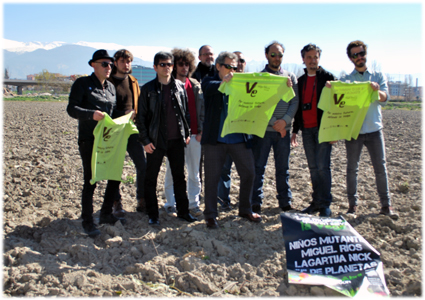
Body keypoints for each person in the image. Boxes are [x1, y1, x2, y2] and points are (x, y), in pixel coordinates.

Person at [67, 49, 127, 237]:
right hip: (90, 139)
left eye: (110, 64)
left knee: (114, 176)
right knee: (91, 180)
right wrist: (90, 114)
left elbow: (113, 112)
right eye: (104, 64)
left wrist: (126, 117)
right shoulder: (82, 84)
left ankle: (106, 213)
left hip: (109, 140)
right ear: (93, 65)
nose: (108, 67)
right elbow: (71, 108)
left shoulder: (110, 88)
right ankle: (87, 220)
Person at [338, 40, 398, 220]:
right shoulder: (346, 80)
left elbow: (385, 98)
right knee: (352, 169)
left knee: (380, 168)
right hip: (354, 131)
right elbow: (339, 102)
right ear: (350, 58)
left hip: (374, 129)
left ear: (366, 54)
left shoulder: (378, 76)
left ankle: (386, 206)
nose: (359, 57)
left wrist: (376, 91)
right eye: (355, 55)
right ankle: (352, 206)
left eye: (361, 53)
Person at [201, 51, 261, 229]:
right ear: (218, 66)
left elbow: (263, 91)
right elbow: (208, 88)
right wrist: (223, 83)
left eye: (234, 67)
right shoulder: (209, 80)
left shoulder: (242, 84)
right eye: (228, 66)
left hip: (239, 138)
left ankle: (245, 209)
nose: (232, 71)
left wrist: (284, 84)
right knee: (212, 178)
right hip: (215, 140)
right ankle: (211, 215)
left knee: (249, 172)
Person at [137, 51, 197, 226]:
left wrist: (185, 132)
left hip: (176, 140)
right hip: (155, 141)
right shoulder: (147, 89)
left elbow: (184, 113)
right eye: (162, 64)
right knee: (151, 179)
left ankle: (183, 212)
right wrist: (145, 140)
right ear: (155, 67)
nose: (167, 67)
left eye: (169, 64)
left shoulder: (179, 87)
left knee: (179, 177)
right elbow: (141, 118)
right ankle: (153, 214)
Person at [251, 41, 299, 214]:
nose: (277, 58)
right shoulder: (260, 77)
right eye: (273, 54)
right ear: (266, 55)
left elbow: (295, 102)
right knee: (258, 167)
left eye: (280, 55)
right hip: (264, 130)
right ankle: (255, 202)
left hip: (284, 131)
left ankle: (285, 202)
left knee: (283, 168)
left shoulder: (290, 76)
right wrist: (274, 123)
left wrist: (284, 121)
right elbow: (259, 104)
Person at [291, 44, 337, 217]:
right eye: (309, 57)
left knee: (323, 167)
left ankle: (325, 203)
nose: (312, 60)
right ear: (303, 59)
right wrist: (295, 130)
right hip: (307, 130)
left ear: (319, 58)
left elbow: (336, 106)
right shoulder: (301, 81)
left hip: (323, 129)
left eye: (315, 57)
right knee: (312, 167)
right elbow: (297, 108)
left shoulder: (328, 78)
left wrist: (334, 131)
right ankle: (316, 202)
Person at [163, 48, 204, 217]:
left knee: (194, 172)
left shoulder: (195, 85)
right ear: (174, 65)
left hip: (194, 135)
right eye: (180, 64)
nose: (184, 67)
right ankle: (170, 203)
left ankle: (194, 203)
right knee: (172, 171)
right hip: (174, 137)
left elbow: (201, 110)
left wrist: (200, 131)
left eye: (187, 64)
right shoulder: (166, 85)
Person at [107, 49, 146, 217]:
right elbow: (104, 108)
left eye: (129, 61)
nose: (126, 64)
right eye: (123, 61)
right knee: (115, 168)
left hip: (132, 130)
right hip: (114, 130)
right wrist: (121, 115)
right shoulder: (108, 81)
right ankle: (116, 202)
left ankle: (142, 199)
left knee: (142, 165)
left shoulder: (133, 81)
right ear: (115, 63)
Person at [217, 51, 247, 211]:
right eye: (231, 65)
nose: (238, 65)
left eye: (241, 61)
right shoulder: (222, 81)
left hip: (243, 135)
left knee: (249, 171)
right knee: (224, 171)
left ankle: (246, 204)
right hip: (224, 135)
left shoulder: (251, 82)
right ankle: (223, 201)